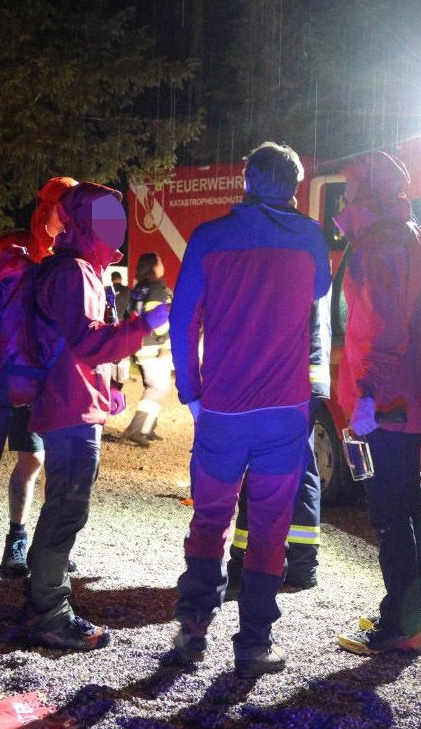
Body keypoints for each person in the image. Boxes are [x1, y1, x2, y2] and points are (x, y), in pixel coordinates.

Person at [168, 142, 331, 679]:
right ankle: (254, 641)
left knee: (210, 517)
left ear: (245, 180)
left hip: (222, 410)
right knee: (269, 528)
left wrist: (192, 392)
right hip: (284, 413)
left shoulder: (209, 237)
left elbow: (183, 318)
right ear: (294, 185)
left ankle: (194, 626)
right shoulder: (309, 237)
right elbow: (322, 289)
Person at [24, 182, 164, 650]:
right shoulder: (77, 272)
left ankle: (44, 599)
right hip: (69, 408)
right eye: (108, 219)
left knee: (62, 504)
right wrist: (147, 323)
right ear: (88, 223)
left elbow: (77, 342)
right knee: (67, 508)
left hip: (72, 401)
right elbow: (87, 343)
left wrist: (108, 391)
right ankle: (51, 613)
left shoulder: (73, 267)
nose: (117, 228)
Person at [334, 151, 421, 657]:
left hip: (385, 401)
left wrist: (367, 395)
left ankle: (399, 625)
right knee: (410, 506)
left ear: (371, 195)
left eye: (351, 190)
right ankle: (408, 617)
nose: (343, 199)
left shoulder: (378, 246)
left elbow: (386, 330)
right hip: (413, 398)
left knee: (388, 512)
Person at [0, 176, 78, 579]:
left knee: (64, 467)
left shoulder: (80, 254)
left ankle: (49, 545)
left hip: (66, 380)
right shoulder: (22, 252)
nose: (66, 217)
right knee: (31, 460)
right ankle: (16, 538)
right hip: (31, 378)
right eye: (61, 208)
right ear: (47, 209)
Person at [228, 287, 331, 593]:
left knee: (262, 466)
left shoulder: (284, 257)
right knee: (301, 470)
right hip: (297, 383)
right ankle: (299, 563)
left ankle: (248, 560)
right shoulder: (308, 256)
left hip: (282, 383)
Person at [117, 253, 172, 446]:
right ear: (154, 267)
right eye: (161, 262)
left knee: (157, 386)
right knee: (157, 388)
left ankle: (147, 427)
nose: (162, 265)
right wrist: (164, 341)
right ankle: (136, 428)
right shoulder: (156, 288)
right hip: (153, 345)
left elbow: (130, 312)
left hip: (139, 342)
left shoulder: (139, 287)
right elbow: (158, 317)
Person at [111, 270, 133, 383]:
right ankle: (123, 377)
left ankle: (113, 376)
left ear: (112, 280)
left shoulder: (107, 290)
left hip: (110, 325)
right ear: (120, 279)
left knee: (112, 350)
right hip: (123, 324)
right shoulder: (127, 290)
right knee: (124, 350)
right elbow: (130, 309)